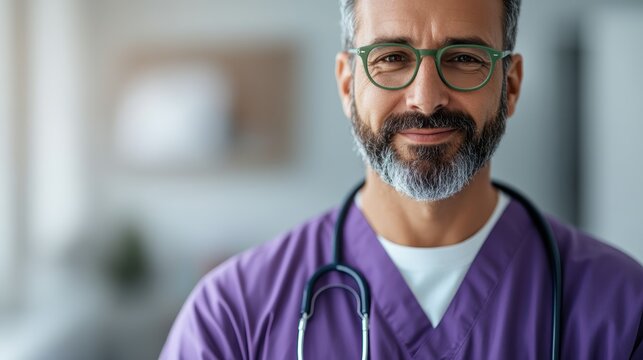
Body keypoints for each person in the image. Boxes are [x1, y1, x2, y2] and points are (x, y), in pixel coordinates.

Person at [160, 0, 643, 358]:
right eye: (392, 57)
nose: (426, 98)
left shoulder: (621, 307)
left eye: (464, 58)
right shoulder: (233, 317)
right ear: (348, 85)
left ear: (510, 86)